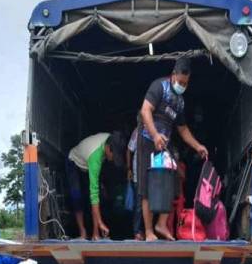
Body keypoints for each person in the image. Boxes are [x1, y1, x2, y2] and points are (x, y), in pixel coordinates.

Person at [138, 57, 208, 241]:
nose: (182, 85)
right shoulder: (159, 87)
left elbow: (183, 129)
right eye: (180, 82)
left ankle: (161, 224)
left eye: (186, 83)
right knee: (147, 187)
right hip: (148, 141)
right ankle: (148, 232)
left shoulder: (180, 102)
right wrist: (154, 135)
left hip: (164, 144)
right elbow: (145, 111)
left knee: (175, 179)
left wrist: (197, 146)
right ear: (173, 75)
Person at [67, 131, 126, 240]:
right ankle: (82, 232)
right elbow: (94, 195)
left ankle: (95, 234)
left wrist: (97, 229)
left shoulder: (112, 139)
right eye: (113, 155)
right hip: (74, 162)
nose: (113, 159)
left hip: (87, 165)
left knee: (96, 196)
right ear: (108, 148)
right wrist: (100, 222)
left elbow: (95, 196)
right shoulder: (95, 158)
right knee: (77, 197)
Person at [127, 125, 144, 240]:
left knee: (150, 204)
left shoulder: (157, 129)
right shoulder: (137, 131)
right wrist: (128, 168)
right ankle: (137, 231)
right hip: (138, 174)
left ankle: (147, 230)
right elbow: (129, 150)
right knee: (139, 205)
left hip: (151, 174)